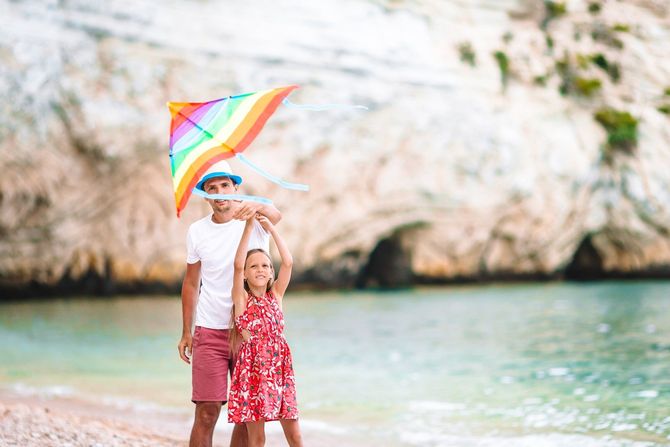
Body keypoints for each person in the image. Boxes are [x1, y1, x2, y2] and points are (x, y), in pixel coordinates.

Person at [178, 160, 281, 447]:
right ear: (206, 195)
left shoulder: (256, 221)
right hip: (209, 330)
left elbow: (277, 214)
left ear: (235, 188)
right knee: (208, 410)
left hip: (250, 333)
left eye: (225, 185)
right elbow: (190, 283)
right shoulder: (197, 231)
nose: (219, 192)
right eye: (212, 188)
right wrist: (187, 331)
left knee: (249, 412)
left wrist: (257, 207)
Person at [227, 215, 303, 447]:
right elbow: (238, 263)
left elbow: (288, 262)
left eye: (265, 266)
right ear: (245, 274)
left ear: (271, 272)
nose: (260, 270)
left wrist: (270, 228)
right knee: (257, 438)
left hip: (280, 370)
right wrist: (249, 227)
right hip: (252, 372)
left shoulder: (276, 296)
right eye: (254, 266)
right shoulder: (241, 298)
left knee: (295, 434)